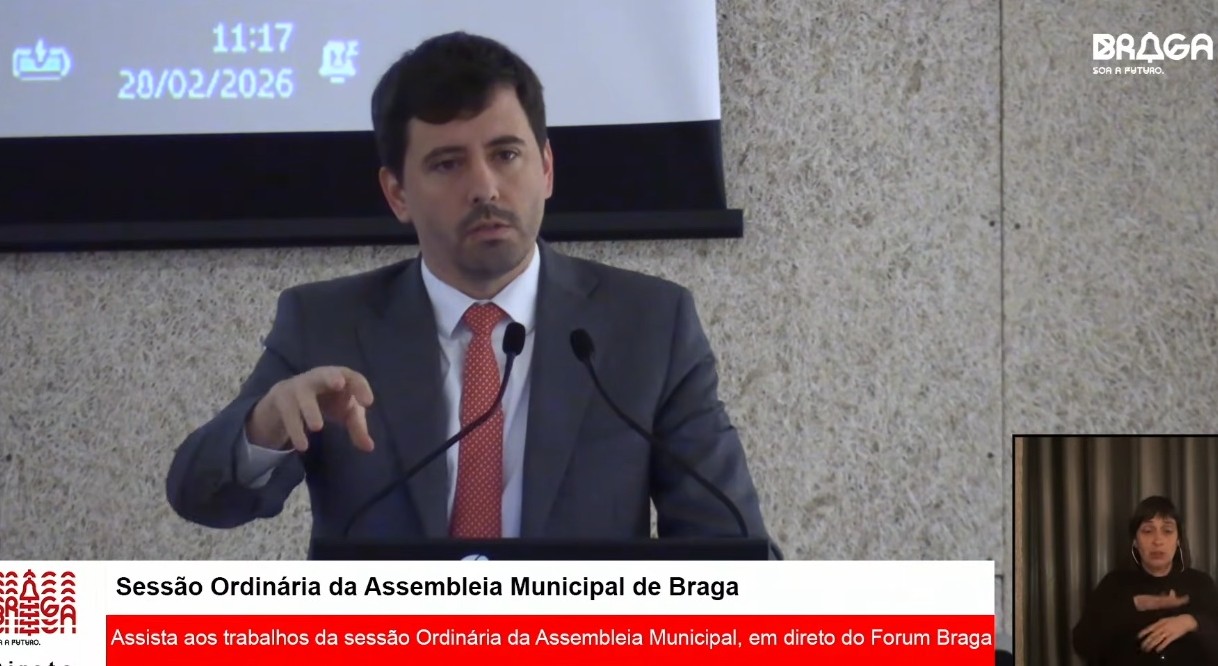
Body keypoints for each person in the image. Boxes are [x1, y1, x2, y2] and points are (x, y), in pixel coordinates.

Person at [165, 31, 775, 557]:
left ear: (546, 168)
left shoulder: (649, 324)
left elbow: (731, 546)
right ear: (397, 193)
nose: (485, 187)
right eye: (448, 164)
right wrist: (263, 428)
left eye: (506, 154)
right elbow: (202, 497)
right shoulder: (327, 322)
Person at [1072, 496, 1218, 664]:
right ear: (1135, 541)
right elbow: (1083, 643)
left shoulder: (1201, 583)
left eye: (1167, 531)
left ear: (1178, 540)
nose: (1158, 541)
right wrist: (1134, 605)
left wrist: (1192, 622)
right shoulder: (1114, 584)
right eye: (1148, 531)